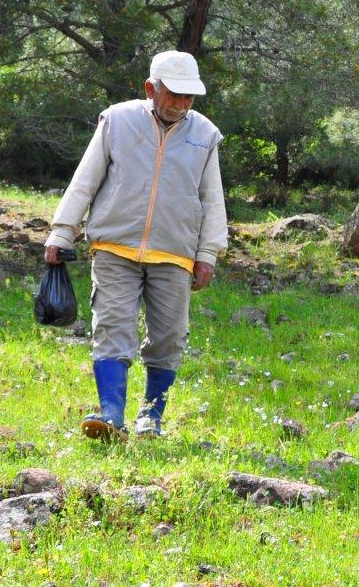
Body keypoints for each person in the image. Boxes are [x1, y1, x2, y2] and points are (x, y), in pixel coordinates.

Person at [44, 50, 227, 441]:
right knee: (111, 327)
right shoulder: (117, 120)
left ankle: (151, 417)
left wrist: (208, 254)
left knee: (169, 337)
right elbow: (85, 179)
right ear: (151, 88)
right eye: (173, 94)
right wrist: (62, 232)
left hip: (176, 253)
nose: (180, 105)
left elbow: (212, 199)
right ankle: (111, 415)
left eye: (188, 97)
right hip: (114, 246)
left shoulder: (205, 135)